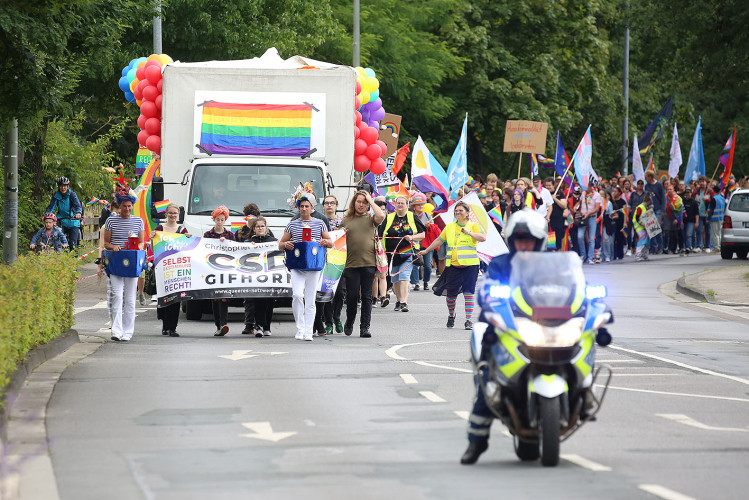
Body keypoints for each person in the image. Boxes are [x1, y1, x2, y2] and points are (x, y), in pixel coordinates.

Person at [460, 209, 547, 465]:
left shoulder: (551, 264)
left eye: (529, 239)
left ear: (539, 241)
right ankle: (476, 442)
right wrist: (489, 297)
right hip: (505, 328)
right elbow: (486, 290)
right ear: (511, 240)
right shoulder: (500, 264)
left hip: (545, 328)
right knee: (490, 382)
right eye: (519, 239)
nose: (524, 244)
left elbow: (571, 289)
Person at [418, 201, 486, 330]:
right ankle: (451, 315)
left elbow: (483, 238)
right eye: (456, 210)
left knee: (468, 293)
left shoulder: (473, 226)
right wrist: (426, 250)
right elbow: (439, 240)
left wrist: (469, 233)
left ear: (467, 213)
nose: (458, 212)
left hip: (470, 266)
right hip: (453, 266)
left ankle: (468, 320)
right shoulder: (449, 227)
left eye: (461, 210)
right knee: (451, 295)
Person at [278, 190, 333, 341]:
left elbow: (331, 243)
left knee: (310, 299)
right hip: (297, 266)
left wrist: (324, 242)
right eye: (301, 206)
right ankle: (300, 328)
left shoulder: (320, 223)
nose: (303, 209)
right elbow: (280, 244)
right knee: (297, 295)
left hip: (313, 266)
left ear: (311, 208)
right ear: (298, 207)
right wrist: (285, 244)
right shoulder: (292, 225)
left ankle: (308, 331)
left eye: (306, 206)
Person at [340, 190, 385, 337]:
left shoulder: (371, 219)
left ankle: (365, 327)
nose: (361, 205)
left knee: (367, 296)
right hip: (351, 264)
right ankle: (350, 321)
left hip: (369, 263)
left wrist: (370, 200)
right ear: (354, 203)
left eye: (364, 203)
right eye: (359, 202)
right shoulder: (346, 219)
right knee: (352, 296)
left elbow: (381, 215)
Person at [102, 193, 146, 342]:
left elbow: (142, 242)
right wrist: (114, 246)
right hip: (116, 262)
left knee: (130, 298)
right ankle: (116, 330)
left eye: (129, 206)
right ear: (119, 206)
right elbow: (106, 243)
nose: (127, 209)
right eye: (124, 206)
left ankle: (128, 331)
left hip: (132, 263)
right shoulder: (111, 221)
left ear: (132, 206)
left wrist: (137, 248)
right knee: (117, 296)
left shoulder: (138, 221)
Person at [150, 203, 191, 337]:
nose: (172, 215)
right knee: (164, 297)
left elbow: (187, 248)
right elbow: (154, 246)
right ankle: (165, 326)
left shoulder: (183, 230)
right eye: (170, 213)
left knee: (176, 299)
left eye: (175, 213)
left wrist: (189, 239)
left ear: (178, 214)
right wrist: (152, 237)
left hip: (176, 269)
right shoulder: (160, 228)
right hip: (162, 268)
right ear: (166, 213)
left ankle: (172, 327)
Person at [380, 195, 425, 313]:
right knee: (395, 279)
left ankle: (404, 302)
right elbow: (380, 236)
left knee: (404, 277)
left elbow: (422, 235)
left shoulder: (412, 216)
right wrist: (382, 252)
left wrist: (412, 237)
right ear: (395, 204)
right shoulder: (388, 217)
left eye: (402, 203)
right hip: (391, 253)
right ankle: (399, 300)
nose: (400, 205)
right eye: (398, 203)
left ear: (407, 205)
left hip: (407, 252)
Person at [238, 216, 277, 336]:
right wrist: (250, 246)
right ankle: (259, 326)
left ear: (266, 227)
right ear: (253, 228)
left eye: (262, 226)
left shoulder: (273, 241)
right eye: (257, 226)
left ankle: (267, 327)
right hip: (255, 277)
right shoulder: (249, 242)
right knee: (259, 300)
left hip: (270, 276)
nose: (260, 228)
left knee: (269, 302)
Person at [314, 195, 345, 335]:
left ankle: (337, 317)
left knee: (339, 292)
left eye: (332, 203)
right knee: (326, 291)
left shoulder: (342, 222)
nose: (329, 206)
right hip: (324, 259)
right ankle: (328, 322)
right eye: (327, 203)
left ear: (336, 205)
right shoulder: (318, 221)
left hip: (339, 259)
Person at [204, 205, 235, 336]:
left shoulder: (230, 235)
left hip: (226, 270)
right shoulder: (208, 234)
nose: (220, 222)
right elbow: (203, 249)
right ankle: (218, 325)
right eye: (218, 219)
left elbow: (235, 250)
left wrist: (226, 242)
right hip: (212, 269)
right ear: (214, 219)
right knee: (215, 298)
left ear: (225, 220)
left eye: (222, 219)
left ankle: (224, 323)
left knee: (224, 297)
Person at [45, 176, 83, 249]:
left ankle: (74, 259)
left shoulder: (72, 195)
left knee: (73, 244)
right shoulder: (56, 196)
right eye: (61, 186)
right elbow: (51, 207)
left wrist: (78, 213)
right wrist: (46, 215)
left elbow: (78, 206)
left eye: (65, 186)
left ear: (68, 186)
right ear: (59, 186)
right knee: (57, 239)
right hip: (61, 220)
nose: (63, 188)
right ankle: (58, 257)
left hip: (73, 221)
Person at [409, 193, 431, 291]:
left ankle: (426, 281)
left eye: (422, 204)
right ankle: (416, 282)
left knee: (428, 265)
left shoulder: (428, 215)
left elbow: (434, 230)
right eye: (419, 205)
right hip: (415, 243)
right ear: (414, 206)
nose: (421, 206)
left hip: (427, 244)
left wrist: (429, 226)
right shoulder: (410, 216)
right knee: (414, 263)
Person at [577, 181, 602, 263]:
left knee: (591, 239)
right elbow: (579, 203)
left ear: (591, 187)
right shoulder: (583, 194)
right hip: (583, 217)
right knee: (580, 236)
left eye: (587, 186)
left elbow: (597, 208)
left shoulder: (596, 195)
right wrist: (575, 207)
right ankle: (583, 254)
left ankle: (590, 257)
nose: (585, 188)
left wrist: (589, 213)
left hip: (592, 217)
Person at [644, 171, 666, 254]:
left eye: (646, 177)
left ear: (650, 177)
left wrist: (663, 209)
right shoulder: (647, 186)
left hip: (658, 209)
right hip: (649, 209)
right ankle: (653, 246)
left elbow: (663, 198)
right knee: (651, 228)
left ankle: (660, 246)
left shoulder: (659, 185)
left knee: (657, 228)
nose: (645, 179)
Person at [546, 179, 567, 251]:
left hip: (558, 219)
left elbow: (564, 206)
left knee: (559, 238)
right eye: (546, 186)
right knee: (550, 240)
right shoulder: (544, 193)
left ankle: (559, 254)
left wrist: (555, 199)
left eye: (549, 185)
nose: (548, 187)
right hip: (549, 219)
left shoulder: (559, 193)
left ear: (553, 185)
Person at [632, 194, 653, 261]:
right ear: (649, 201)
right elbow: (637, 217)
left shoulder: (645, 207)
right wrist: (641, 223)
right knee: (642, 241)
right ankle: (638, 255)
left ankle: (645, 255)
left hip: (645, 227)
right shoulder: (640, 207)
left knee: (646, 241)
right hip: (639, 227)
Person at [610, 187, 627, 260]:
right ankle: (613, 254)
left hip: (620, 221)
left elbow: (625, 212)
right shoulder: (611, 202)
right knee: (613, 238)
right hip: (613, 221)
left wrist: (625, 222)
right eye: (613, 191)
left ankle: (620, 254)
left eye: (616, 191)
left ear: (620, 193)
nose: (614, 192)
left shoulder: (622, 201)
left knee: (620, 238)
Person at [707, 185, 726, 252]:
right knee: (719, 233)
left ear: (713, 191)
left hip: (714, 218)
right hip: (721, 218)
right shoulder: (722, 198)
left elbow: (711, 209)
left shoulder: (714, 198)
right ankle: (720, 247)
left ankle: (716, 248)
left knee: (714, 234)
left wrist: (708, 218)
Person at [682, 188, 699, 253]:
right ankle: (685, 246)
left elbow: (697, 213)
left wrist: (696, 222)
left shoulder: (694, 202)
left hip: (691, 221)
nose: (687, 194)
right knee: (684, 235)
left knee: (689, 234)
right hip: (684, 220)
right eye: (686, 193)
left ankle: (688, 247)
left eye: (688, 193)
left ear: (691, 194)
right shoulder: (683, 201)